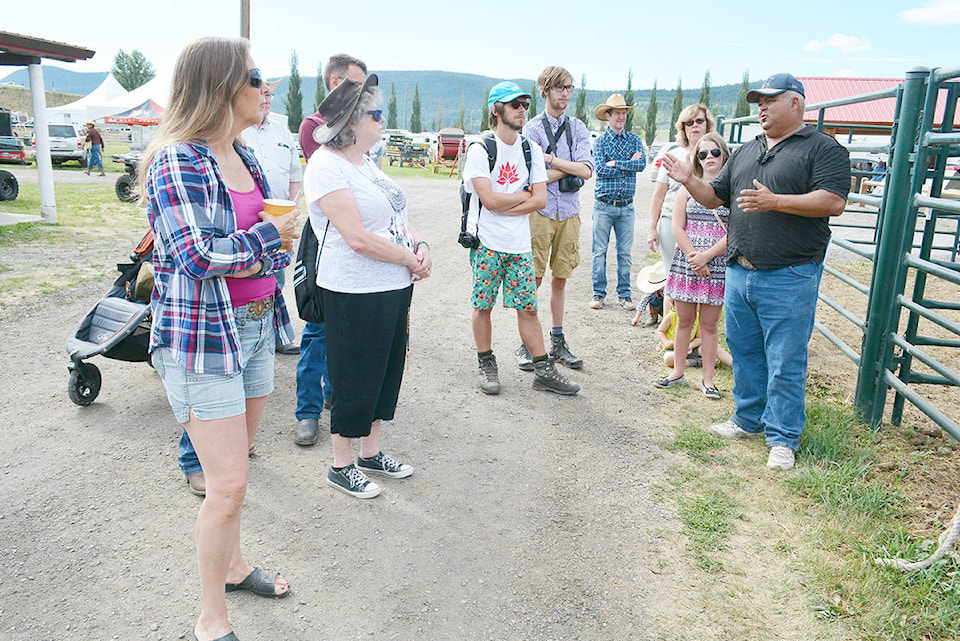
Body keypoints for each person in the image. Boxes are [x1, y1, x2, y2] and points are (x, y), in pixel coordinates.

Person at [141, 37, 298, 641]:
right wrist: (269, 241)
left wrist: (274, 244)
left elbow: (258, 248)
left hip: (256, 329)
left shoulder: (245, 154)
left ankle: (233, 566)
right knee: (226, 482)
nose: (266, 88)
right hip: (203, 339)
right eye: (255, 77)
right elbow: (194, 253)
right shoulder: (178, 158)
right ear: (219, 86)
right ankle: (210, 616)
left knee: (236, 478)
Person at [662, 73, 849, 471]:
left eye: (770, 100)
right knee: (746, 353)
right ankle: (747, 419)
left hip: (790, 273)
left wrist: (776, 201)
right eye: (757, 102)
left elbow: (833, 202)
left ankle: (783, 438)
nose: (761, 108)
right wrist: (689, 180)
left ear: (795, 103)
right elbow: (715, 196)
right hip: (740, 271)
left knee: (785, 358)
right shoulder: (748, 150)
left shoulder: (822, 148)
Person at [303, 75, 431, 499]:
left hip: (391, 285)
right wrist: (408, 259)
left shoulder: (366, 161)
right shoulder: (326, 165)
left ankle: (370, 453)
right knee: (353, 374)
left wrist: (420, 244)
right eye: (376, 114)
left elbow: (396, 214)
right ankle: (341, 463)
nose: (383, 119)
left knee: (384, 371)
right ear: (352, 122)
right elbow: (355, 237)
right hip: (353, 290)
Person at [464, 81, 580, 397]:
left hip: (519, 247)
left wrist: (510, 199)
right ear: (496, 109)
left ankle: (543, 370)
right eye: (514, 104)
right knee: (483, 306)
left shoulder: (529, 150)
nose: (521, 109)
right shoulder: (480, 150)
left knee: (528, 309)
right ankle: (486, 362)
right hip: (487, 243)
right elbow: (488, 201)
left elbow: (540, 200)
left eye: (524, 104)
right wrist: (521, 195)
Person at [293, 53, 368, 448]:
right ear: (336, 82)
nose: (362, 95)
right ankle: (307, 412)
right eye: (355, 85)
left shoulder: (359, 127)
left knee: (348, 328)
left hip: (354, 240)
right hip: (324, 240)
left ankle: (332, 395)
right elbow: (340, 173)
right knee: (319, 328)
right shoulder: (314, 127)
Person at [520, 66, 593, 371]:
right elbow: (532, 177)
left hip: (569, 211)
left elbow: (588, 169)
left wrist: (551, 160)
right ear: (546, 90)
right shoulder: (532, 129)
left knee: (560, 279)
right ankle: (527, 343)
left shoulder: (577, 127)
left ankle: (558, 342)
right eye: (560, 87)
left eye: (569, 88)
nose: (566, 93)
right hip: (540, 210)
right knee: (533, 279)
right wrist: (569, 166)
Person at [655, 133, 731, 400]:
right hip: (687, 263)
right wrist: (692, 256)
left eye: (714, 152)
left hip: (715, 265)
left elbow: (734, 232)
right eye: (702, 154)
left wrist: (706, 257)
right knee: (684, 320)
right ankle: (677, 372)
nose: (709, 158)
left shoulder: (730, 190)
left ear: (724, 155)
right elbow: (677, 226)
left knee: (709, 325)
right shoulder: (687, 189)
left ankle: (708, 380)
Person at [242, 78, 303, 356]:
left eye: (270, 94)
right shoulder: (239, 131)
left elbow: (294, 174)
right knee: (247, 271)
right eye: (262, 92)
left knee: (276, 274)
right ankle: (252, 332)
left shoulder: (282, 132)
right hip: (250, 216)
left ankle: (275, 334)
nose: (267, 98)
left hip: (280, 216)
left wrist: (292, 207)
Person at [591, 93, 646, 311]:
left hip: (627, 206)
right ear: (608, 115)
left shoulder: (634, 140)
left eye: (624, 113)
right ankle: (598, 293)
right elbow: (601, 170)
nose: (621, 117)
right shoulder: (601, 141)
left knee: (625, 252)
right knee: (599, 251)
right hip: (604, 204)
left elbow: (641, 164)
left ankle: (624, 294)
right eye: (618, 113)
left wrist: (616, 163)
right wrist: (626, 163)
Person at [648, 104, 715, 278]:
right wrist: (652, 228)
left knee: (702, 277)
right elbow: (658, 195)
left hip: (706, 225)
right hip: (671, 222)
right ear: (683, 128)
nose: (694, 125)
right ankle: (668, 306)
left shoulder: (716, 155)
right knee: (673, 276)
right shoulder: (674, 155)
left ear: (707, 124)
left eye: (699, 121)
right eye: (689, 122)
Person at [630, 261, 666, 327]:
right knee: (654, 298)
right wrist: (637, 317)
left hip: (674, 310)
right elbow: (644, 300)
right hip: (663, 307)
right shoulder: (655, 288)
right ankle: (653, 316)